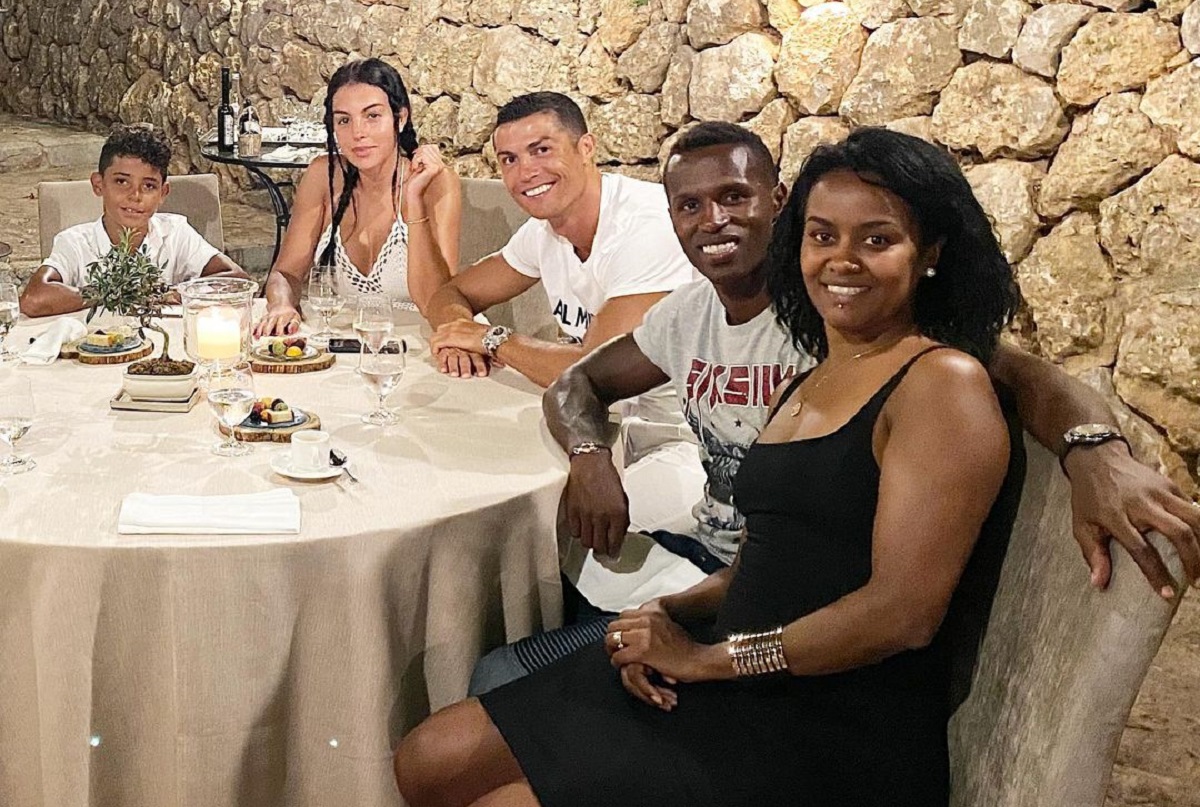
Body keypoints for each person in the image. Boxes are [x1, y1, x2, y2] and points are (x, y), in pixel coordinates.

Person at [394, 125, 1030, 806]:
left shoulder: (941, 382)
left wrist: (710, 660)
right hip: (732, 649)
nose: (842, 260)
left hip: (827, 716)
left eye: (877, 240)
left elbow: (901, 615)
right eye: (824, 236)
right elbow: (771, 550)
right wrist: (667, 610)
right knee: (429, 757)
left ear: (930, 253)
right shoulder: (814, 374)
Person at [465, 123, 1200, 697]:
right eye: (689, 205)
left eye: (735, 197)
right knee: (529, 615)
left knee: (505, 675)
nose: (713, 220)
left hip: (781, 610)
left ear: (778, 202)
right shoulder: (694, 314)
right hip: (709, 570)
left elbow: (1009, 371)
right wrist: (591, 456)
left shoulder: (844, 317)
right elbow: (578, 383)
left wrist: (1093, 448)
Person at [422, 92, 698, 397]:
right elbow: (449, 294)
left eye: (541, 150)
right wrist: (458, 339)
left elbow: (597, 372)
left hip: (680, 419)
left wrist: (491, 339)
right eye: (510, 159)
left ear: (586, 148)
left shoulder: (648, 225)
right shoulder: (542, 231)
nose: (526, 172)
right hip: (602, 411)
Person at [255, 58, 461, 336]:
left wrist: (413, 199)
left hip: (419, 346)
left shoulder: (436, 183)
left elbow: (437, 301)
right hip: (340, 345)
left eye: (372, 116)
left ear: (400, 119)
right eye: (344, 120)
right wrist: (281, 305)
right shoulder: (323, 176)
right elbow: (285, 273)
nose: (358, 133)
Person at [19, 123, 249, 317]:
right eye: (122, 182)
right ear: (99, 185)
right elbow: (33, 299)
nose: (135, 196)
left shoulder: (175, 232)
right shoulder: (74, 242)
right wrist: (114, 292)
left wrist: (168, 293)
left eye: (148, 186)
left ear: (163, 193)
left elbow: (238, 280)